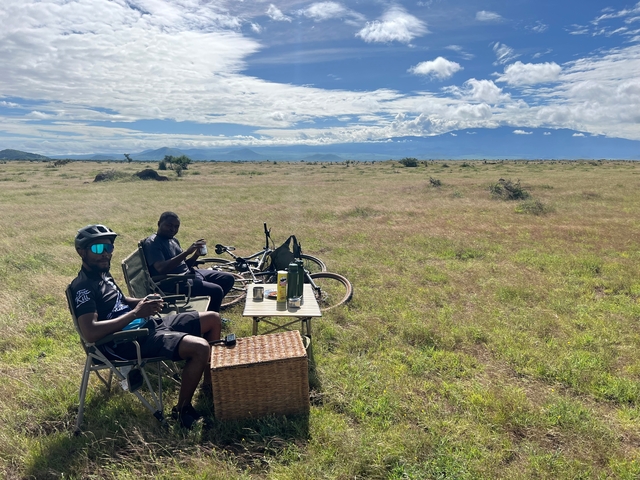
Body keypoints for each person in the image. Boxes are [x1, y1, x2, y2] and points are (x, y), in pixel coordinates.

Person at [70, 224, 219, 429]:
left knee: (212, 319)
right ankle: (183, 410)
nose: (105, 254)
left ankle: (209, 385)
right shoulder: (83, 288)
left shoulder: (103, 273)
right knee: (200, 347)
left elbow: (120, 301)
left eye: (109, 248)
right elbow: (91, 332)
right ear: (81, 252)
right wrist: (136, 313)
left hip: (144, 324)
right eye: (98, 249)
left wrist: (143, 302)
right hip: (124, 342)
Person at [141, 211, 235, 313]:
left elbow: (184, 265)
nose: (173, 229)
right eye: (169, 225)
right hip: (174, 282)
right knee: (216, 291)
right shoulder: (152, 243)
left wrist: (195, 255)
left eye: (176, 227)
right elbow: (161, 268)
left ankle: (210, 309)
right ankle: (208, 320)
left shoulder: (173, 240)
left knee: (228, 278)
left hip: (188, 275)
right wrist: (186, 252)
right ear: (159, 223)